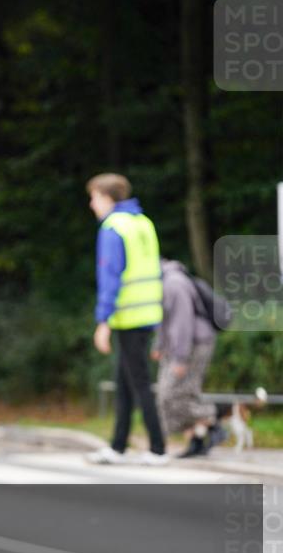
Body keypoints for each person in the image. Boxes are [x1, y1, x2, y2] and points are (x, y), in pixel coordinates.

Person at [83, 174, 167, 466]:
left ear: (107, 197)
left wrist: (103, 321)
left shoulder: (113, 227)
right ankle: (118, 446)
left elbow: (110, 277)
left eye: (94, 197)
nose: (92, 204)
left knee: (139, 382)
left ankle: (158, 448)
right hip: (147, 312)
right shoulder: (143, 223)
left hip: (128, 315)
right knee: (125, 381)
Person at [152, 258, 220, 457]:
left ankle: (213, 418)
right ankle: (195, 440)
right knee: (172, 395)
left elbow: (183, 323)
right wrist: (159, 345)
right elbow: (165, 319)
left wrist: (180, 358)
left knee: (172, 395)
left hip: (195, 344)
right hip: (180, 346)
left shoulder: (174, 283)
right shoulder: (163, 282)